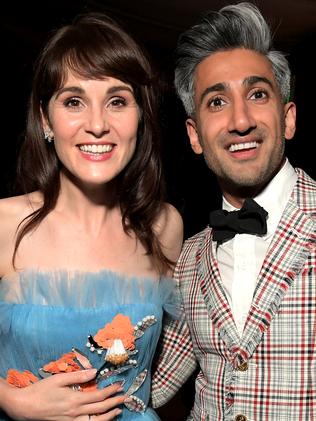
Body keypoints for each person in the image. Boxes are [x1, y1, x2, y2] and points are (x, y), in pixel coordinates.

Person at [0, 12, 183, 421]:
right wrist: (10, 399)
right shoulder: (4, 224)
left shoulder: (164, 226)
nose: (97, 124)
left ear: (140, 116)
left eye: (117, 101)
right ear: (46, 119)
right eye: (74, 101)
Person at [152, 2, 316, 420]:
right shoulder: (188, 257)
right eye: (216, 102)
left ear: (288, 117)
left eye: (257, 94)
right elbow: (147, 386)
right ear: (194, 135)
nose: (240, 120)